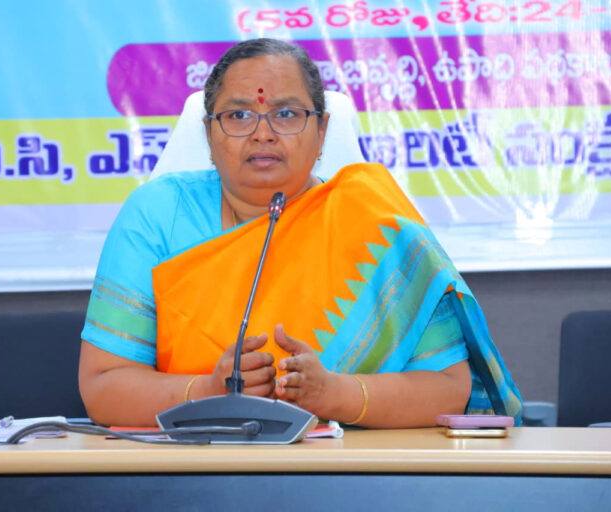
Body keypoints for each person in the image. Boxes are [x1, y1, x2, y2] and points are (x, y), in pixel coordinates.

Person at [78, 38, 522, 428]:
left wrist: (335, 394)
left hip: (352, 474)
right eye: (238, 115)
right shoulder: (158, 214)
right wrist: (208, 391)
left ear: (322, 130)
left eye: (286, 114)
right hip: (190, 472)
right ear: (210, 133)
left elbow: (448, 389)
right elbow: (103, 387)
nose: (263, 134)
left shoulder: (376, 225)